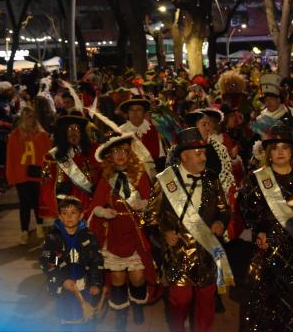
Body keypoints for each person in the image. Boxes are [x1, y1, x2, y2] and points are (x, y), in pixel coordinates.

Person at [145, 127, 233, 332]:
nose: (204, 158)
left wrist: (221, 221)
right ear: (184, 156)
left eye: (204, 153)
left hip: (207, 252)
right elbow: (149, 217)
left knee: (206, 303)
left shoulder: (212, 179)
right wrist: (163, 234)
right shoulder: (165, 180)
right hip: (178, 255)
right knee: (179, 302)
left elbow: (224, 210)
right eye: (199, 153)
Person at [235, 125, 293, 331]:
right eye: (275, 148)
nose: (281, 152)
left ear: (292, 151)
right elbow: (248, 210)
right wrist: (260, 229)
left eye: (285, 147)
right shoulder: (257, 178)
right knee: (266, 302)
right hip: (269, 249)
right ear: (268, 153)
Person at [86, 133, 156, 330]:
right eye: (115, 152)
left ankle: (138, 305)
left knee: (138, 276)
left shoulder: (140, 176)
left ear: (130, 154)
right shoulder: (106, 180)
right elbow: (94, 207)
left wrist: (143, 204)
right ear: (109, 157)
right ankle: (120, 313)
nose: (120, 155)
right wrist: (103, 211)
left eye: (124, 151)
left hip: (136, 234)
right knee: (117, 277)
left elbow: (152, 204)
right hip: (114, 235)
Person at [39, 197, 103, 329]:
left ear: (81, 215)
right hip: (64, 287)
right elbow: (49, 262)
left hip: (84, 285)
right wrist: (62, 280)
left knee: (86, 321)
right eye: (64, 213)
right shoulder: (53, 238)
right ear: (60, 216)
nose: (69, 217)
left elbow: (96, 261)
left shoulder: (89, 236)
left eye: (73, 213)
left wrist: (96, 283)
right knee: (67, 318)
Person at [39, 112, 99, 220]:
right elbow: (46, 187)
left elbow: (104, 175)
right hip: (67, 209)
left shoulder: (95, 151)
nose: (73, 132)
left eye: (76, 129)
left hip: (92, 206)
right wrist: (59, 192)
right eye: (69, 129)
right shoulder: (52, 157)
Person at [6, 107, 52, 244]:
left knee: (38, 202)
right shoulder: (15, 135)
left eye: (32, 116)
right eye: (28, 116)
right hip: (21, 175)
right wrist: (11, 175)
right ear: (23, 118)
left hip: (37, 174)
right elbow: (11, 157)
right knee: (24, 204)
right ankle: (24, 231)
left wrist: (48, 174)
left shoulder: (42, 135)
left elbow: (48, 156)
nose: (30, 119)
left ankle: (39, 226)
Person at [119, 96, 166, 178]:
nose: (135, 113)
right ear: (127, 114)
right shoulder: (121, 132)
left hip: (152, 174)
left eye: (138, 109)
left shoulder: (152, 130)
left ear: (144, 113)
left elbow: (161, 156)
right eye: (131, 110)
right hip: (129, 175)